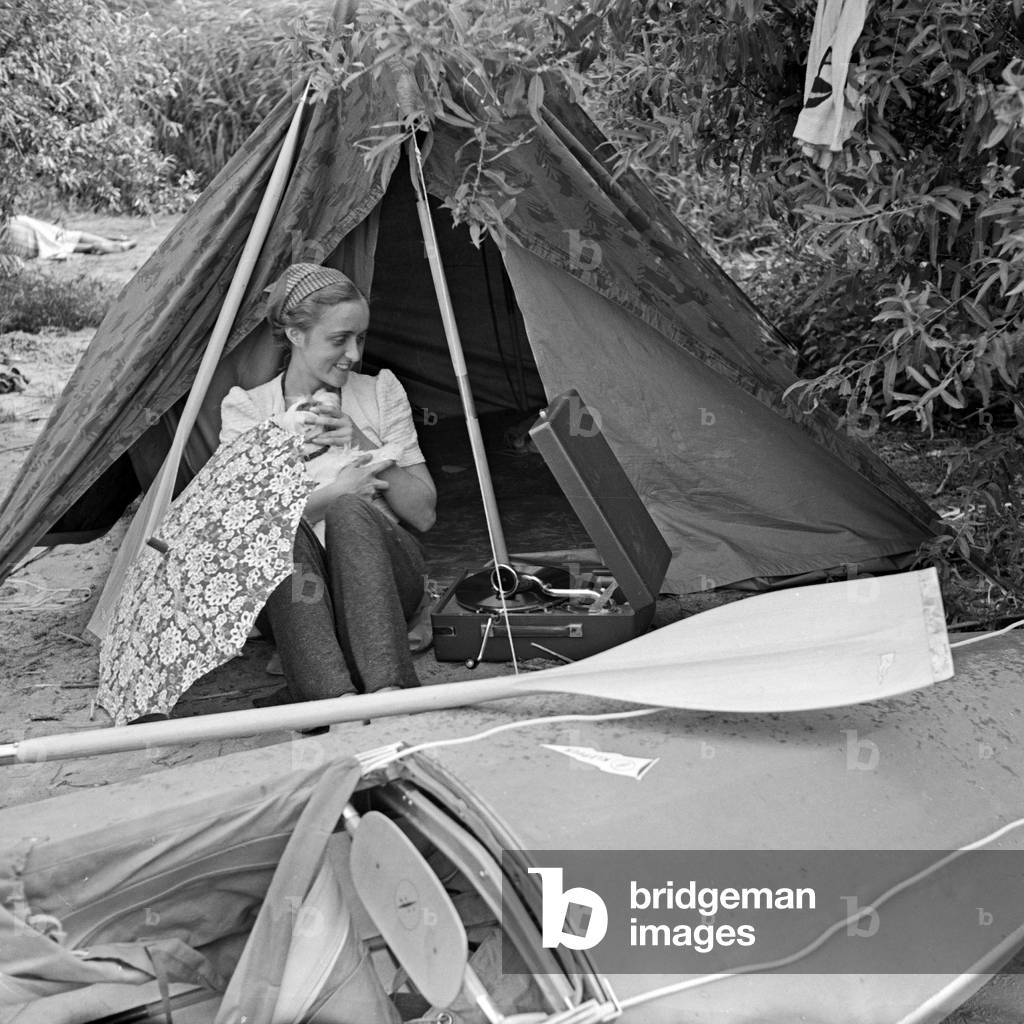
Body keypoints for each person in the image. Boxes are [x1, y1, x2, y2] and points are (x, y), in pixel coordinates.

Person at [219, 263, 437, 701]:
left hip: (388, 589)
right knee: (281, 531)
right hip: (298, 601)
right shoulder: (248, 412)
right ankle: (332, 698)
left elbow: (424, 514)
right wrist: (336, 491)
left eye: (359, 338)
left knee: (349, 513)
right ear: (295, 335)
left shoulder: (379, 392)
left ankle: (388, 688)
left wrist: (361, 441)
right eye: (338, 340)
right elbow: (244, 533)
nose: (353, 354)